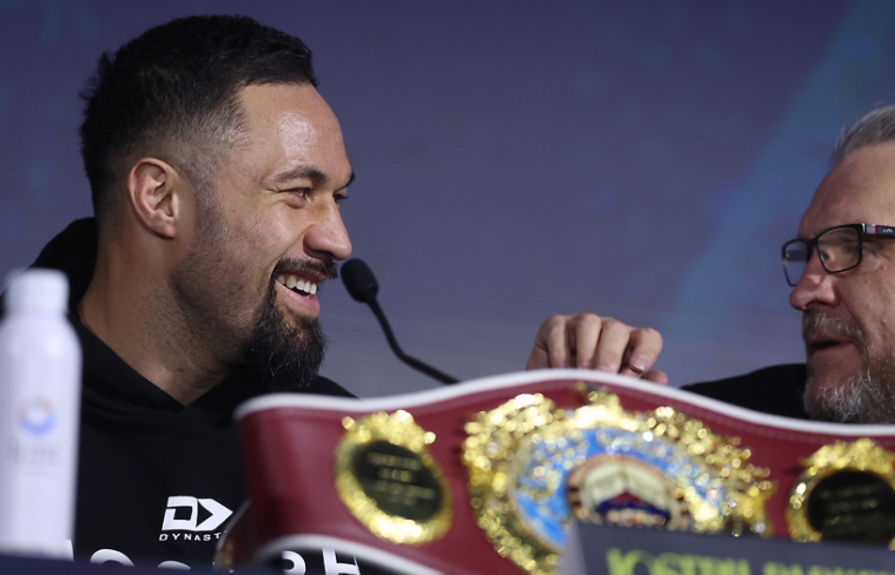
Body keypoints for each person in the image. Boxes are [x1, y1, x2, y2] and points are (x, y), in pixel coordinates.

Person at [20, 15, 663, 570]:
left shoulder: (357, 451)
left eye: (340, 197)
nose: (339, 239)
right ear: (161, 199)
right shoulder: (13, 402)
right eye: (299, 192)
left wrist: (535, 469)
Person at [539, 102, 895, 429]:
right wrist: (555, 422)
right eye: (809, 253)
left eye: (851, 247)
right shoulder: (726, 430)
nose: (804, 293)